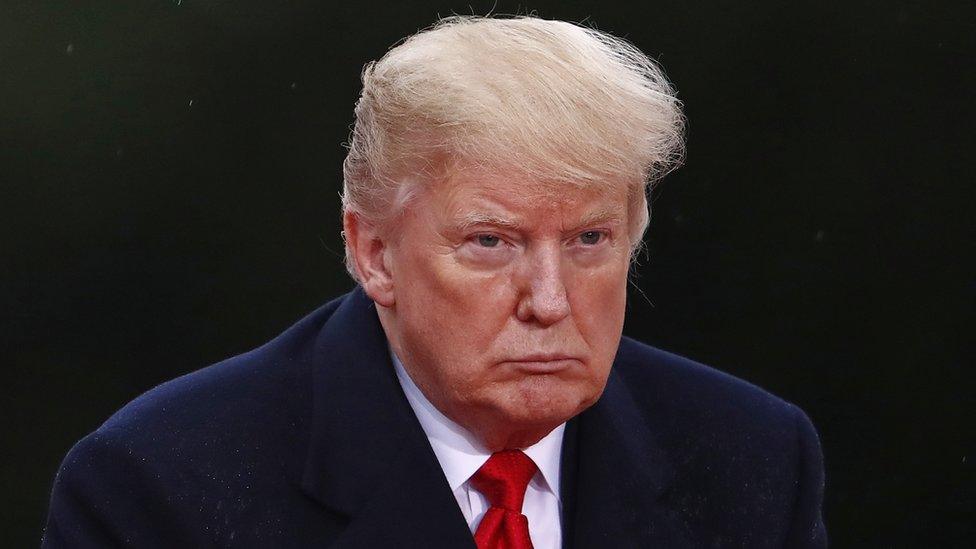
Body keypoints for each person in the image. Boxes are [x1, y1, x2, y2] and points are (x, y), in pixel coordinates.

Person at [42, 15, 826, 548]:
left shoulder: (751, 456)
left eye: (590, 239)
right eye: (491, 242)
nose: (550, 300)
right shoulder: (159, 488)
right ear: (374, 253)